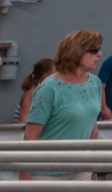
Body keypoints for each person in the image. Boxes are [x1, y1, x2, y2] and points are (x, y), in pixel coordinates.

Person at [23, 30, 103, 179]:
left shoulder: (95, 83)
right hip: (47, 173)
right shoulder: (48, 89)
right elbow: (30, 137)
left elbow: (93, 129)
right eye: (94, 50)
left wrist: (93, 170)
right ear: (76, 52)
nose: (99, 54)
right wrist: (24, 182)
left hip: (81, 170)